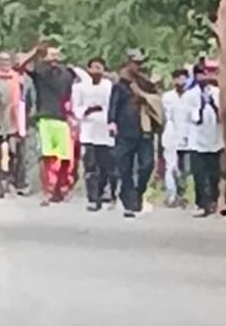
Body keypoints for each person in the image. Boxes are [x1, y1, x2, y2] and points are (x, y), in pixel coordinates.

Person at [18, 41, 75, 206]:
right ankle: (48, 191)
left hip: (63, 119)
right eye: (51, 54)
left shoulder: (67, 73)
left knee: (65, 158)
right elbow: (20, 66)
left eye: (57, 54)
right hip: (45, 118)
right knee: (48, 157)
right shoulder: (40, 72)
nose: (54, 57)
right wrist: (35, 52)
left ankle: (61, 189)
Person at [108, 49, 162, 218]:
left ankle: (139, 192)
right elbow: (113, 104)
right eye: (135, 63)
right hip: (125, 130)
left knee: (147, 165)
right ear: (128, 63)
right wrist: (112, 122)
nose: (138, 66)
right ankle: (129, 201)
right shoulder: (120, 84)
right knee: (125, 168)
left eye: (140, 63)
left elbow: (155, 100)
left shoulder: (144, 83)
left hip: (144, 130)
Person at [0, 51, 36, 196]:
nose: (5, 63)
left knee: (15, 152)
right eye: (1, 60)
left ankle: (15, 181)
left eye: (7, 60)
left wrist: (28, 119)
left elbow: (31, 101)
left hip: (17, 122)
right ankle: (0, 181)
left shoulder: (23, 80)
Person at [72, 57, 114, 212]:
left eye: (99, 68)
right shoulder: (80, 88)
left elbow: (112, 107)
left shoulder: (109, 87)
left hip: (105, 132)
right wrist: (87, 110)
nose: (96, 71)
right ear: (88, 70)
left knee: (105, 167)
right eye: (93, 68)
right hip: (88, 132)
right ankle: (92, 198)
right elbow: (76, 109)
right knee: (90, 167)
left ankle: (103, 192)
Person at [185, 62, 224, 217]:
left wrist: (212, 103)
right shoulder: (190, 95)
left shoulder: (217, 93)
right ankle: (200, 203)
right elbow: (195, 119)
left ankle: (213, 199)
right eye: (200, 74)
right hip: (196, 142)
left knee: (214, 174)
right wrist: (202, 103)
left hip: (214, 141)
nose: (203, 77)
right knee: (199, 175)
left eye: (205, 74)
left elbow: (222, 116)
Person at [161, 68, 192, 207]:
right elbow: (165, 117)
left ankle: (181, 194)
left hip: (188, 135)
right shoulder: (167, 97)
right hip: (171, 135)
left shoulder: (191, 96)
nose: (181, 81)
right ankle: (171, 196)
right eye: (178, 78)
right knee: (171, 166)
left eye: (183, 78)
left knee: (185, 169)